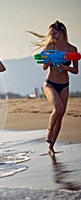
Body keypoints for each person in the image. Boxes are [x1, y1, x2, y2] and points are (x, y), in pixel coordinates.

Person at [28, 20, 78, 157]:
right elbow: (44, 67)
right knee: (58, 108)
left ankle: (51, 147)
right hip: (50, 83)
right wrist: (48, 61)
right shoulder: (50, 46)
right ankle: (49, 130)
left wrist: (66, 67)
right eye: (51, 34)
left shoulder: (72, 49)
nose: (53, 36)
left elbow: (75, 70)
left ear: (62, 32)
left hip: (65, 85)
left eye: (55, 34)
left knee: (60, 116)